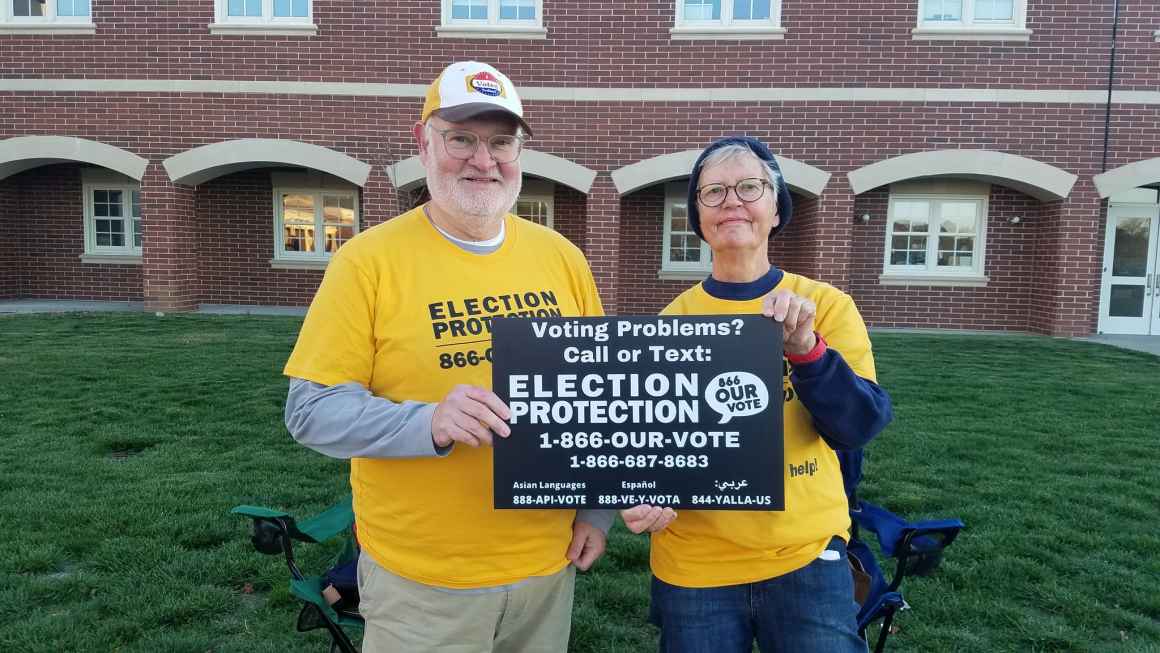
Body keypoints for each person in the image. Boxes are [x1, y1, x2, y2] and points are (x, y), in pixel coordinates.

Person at [281, 61, 671, 652]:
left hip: (546, 568)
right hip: (421, 582)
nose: (483, 160)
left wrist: (596, 512)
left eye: (501, 141)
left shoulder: (562, 259)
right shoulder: (368, 262)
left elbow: (600, 401)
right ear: (423, 143)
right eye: (461, 138)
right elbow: (310, 410)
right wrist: (427, 421)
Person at [641, 136, 893, 653]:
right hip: (695, 563)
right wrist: (645, 491)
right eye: (713, 192)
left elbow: (859, 426)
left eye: (749, 187)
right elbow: (649, 446)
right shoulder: (673, 322)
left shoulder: (827, 306)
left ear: (776, 209)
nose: (732, 201)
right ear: (699, 217)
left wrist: (807, 352)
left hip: (806, 553)